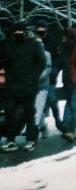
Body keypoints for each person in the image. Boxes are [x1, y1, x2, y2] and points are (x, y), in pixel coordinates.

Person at [1, 22, 46, 152]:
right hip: (14, 84)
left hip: (27, 85)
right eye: (16, 31)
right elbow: (3, 60)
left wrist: (34, 77)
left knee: (29, 113)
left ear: (25, 31)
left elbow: (42, 61)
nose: (18, 34)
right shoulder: (8, 45)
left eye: (20, 31)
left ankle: (30, 139)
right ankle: (11, 140)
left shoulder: (34, 44)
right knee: (11, 113)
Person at [54, 29, 76, 142]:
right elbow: (59, 62)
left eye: (64, 38)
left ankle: (70, 130)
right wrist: (54, 72)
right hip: (67, 82)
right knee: (73, 106)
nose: (62, 40)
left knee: (72, 105)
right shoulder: (63, 49)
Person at [34, 18, 65, 135]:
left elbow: (57, 59)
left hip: (50, 75)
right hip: (36, 75)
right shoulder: (33, 41)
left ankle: (58, 121)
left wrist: (53, 71)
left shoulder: (53, 41)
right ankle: (42, 125)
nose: (41, 32)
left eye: (43, 30)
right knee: (36, 104)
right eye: (39, 30)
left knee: (51, 100)